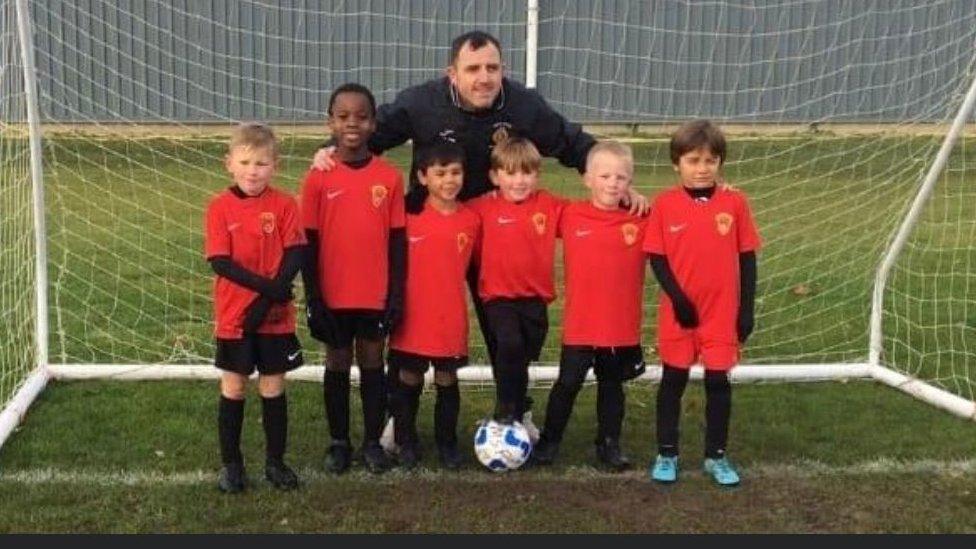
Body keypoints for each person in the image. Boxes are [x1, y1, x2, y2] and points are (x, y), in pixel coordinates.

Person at [644, 120, 761, 487]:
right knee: (673, 382)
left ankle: (716, 457)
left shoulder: (735, 202)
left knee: (718, 384)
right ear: (677, 163)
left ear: (720, 163)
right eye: (693, 160)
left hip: (721, 313)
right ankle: (667, 453)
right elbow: (657, 258)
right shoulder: (664, 204)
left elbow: (748, 259)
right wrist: (678, 300)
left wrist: (745, 310)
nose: (702, 168)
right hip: (680, 313)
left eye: (710, 160)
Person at [300, 83, 406, 475]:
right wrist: (313, 298)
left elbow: (397, 242)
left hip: (373, 293)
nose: (352, 124)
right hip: (332, 294)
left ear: (373, 123)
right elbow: (307, 243)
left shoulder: (389, 178)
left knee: (373, 363)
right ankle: (339, 441)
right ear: (330, 122)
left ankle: (371, 443)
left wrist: (395, 295)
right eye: (343, 116)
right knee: (338, 362)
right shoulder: (317, 178)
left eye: (361, 116)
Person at [531, 141, 648, 471]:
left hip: (619, 326)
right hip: (581, 324)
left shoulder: (642, 218)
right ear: (588, 179)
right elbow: (528, 199)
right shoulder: (569, 214)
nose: (613, 183)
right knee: (568, 383)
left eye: (621, 177)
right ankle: (550, 440)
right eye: (605, 175)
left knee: (612, 387)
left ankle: (609, 443)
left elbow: (683, 213)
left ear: (631, 182)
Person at [204, 122, 306, 493]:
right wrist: (270, 290)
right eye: (245, 162)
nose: (253, 171)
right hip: (236, 318)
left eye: (261, 163)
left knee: (273, 386)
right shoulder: (219, 207)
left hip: (275, 318)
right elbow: (221, 263)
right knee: (233, 386)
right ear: (228, 163)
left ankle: (275, 463)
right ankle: (232, 466)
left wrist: (268, 301)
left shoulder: (284, 204)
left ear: (274, 165)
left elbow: (296, 251)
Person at [387, 143, 481, 470]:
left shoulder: (471, 219)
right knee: (409, 377)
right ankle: (405, 440)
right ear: (422, 177)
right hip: (411, 315)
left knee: (446, 378)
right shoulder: (406, 215)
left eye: (455, 173)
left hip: (449, 316)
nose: (449, 180)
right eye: (440, 173)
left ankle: (447, 443)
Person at [466, 137, 565, 426]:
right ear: (495, 176)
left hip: (535, 299)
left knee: (523, 356)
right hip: (498, 297)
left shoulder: (548, 204)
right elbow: (449, 220)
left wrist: (625, 198)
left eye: (526, 172)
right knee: (509, 344)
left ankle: (519, 407)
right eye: (510, 173)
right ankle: (507, 409)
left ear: (537, 174)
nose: (519, 180)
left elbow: (586, 215)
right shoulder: (478, 208)